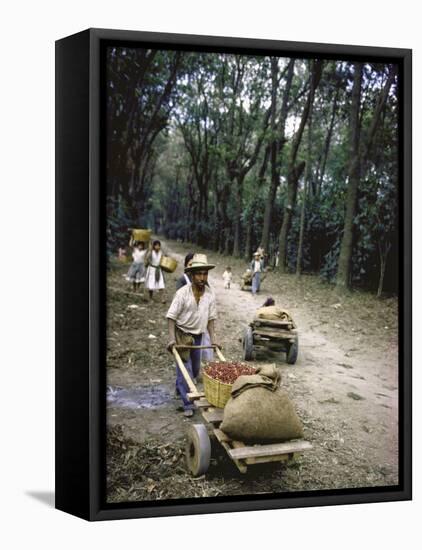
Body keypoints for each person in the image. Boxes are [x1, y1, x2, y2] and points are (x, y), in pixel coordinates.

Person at [166, 254, 220, 417]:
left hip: (198, 336)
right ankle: (187, 404)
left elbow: (211, 319)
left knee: (195, 370)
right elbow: (171, 317)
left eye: (205, 274)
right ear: (191, 274)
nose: (202, 277)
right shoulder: (182, 293)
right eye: (199, 274)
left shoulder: (210, 294)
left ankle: (179, 385)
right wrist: (172, 338)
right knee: (186, 371)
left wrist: (214, 339)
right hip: (182, 334)